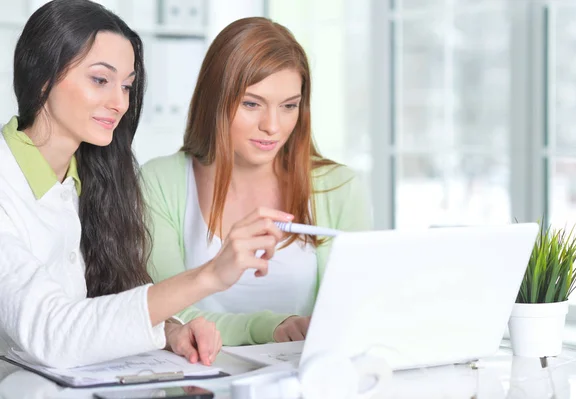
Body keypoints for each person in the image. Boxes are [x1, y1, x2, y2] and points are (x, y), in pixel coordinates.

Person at [0, 0, 289, 369]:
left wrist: (167, 329)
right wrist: (209, 275)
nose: (119, 102)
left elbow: (97, 309)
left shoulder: (93, 179)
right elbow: (54, 332)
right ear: (42, 74)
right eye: (100, 80)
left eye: (126, 86)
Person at [141, 17, 372, 346]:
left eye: (289, 106)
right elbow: (168, 316)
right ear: (215, 101)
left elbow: (357, 311)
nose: (273, 126)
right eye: (252, 104)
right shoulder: (159, 182)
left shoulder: (339, 187)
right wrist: (272, 327)